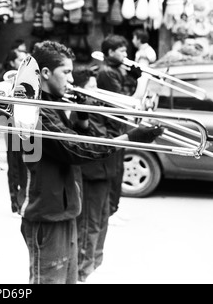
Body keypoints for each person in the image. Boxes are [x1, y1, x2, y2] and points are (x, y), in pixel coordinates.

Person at [18, 41, 163, 284]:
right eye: (66, 72)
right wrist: (129, 138)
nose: (71, 79)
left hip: (64, 210)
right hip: (46, 214)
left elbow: (72, 143)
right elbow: (74, 149)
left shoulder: (54, 106)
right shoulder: (36, 111)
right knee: (49, 280)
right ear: (45, 73)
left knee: (68, 280)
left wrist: (82, 121)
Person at [70, 66, 162, 283]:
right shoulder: (80, 113)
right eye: (91, 87)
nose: (96, 91)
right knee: (89, 225)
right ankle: (83, 269)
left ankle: (94, 263)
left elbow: (116, 131)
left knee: (102, 220)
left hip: (106, 172)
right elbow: (98, 144)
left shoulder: (100, 109)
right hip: (91, 174)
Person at [96, 34, 143, 225]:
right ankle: (109, 211)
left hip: (119, 124)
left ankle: (113, 208)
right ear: (110, 52)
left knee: (118, 169)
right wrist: (138, 82)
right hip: (111, 125)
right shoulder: (107, 72)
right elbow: (124, 100)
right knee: (112, 169)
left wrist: (132, 76)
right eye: (121, 51)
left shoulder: (117, 69)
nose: (125, 54)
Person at [3, 48, 29, 214]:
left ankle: (22, 198)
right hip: (11, 124)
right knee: (14, 164)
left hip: (25, 124)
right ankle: (15, 201)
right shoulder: (8, 79)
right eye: (20, 59)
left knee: (25, 163)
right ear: (13, 63)